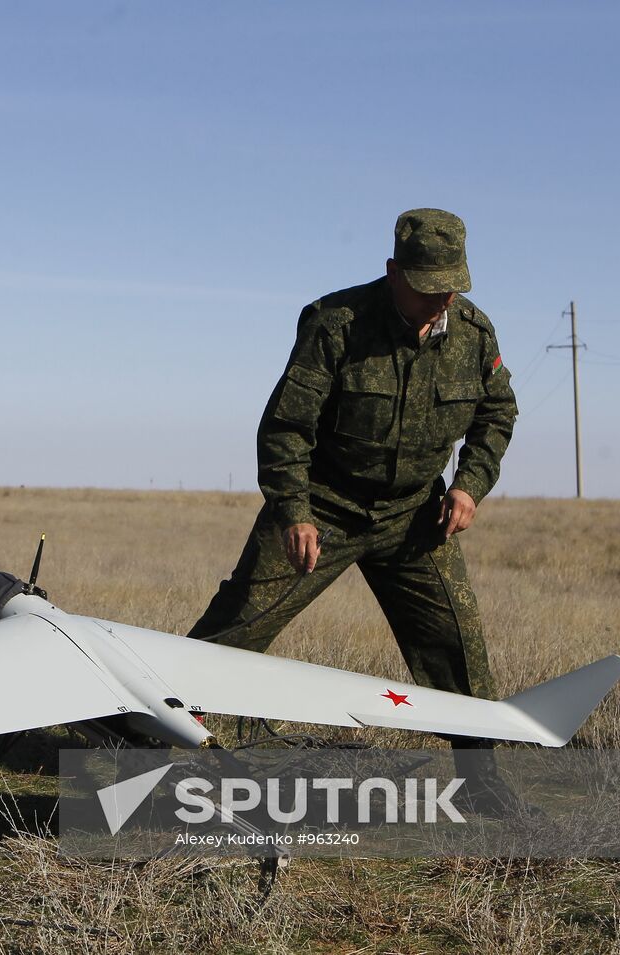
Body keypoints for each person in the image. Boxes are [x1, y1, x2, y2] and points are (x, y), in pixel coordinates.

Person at [187, 208, 521, 811]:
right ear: (393, 271)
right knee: (231, 632)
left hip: (415, 517)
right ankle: (146, 755)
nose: (439, 299)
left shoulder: (474, 333)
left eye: (451, 286)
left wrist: (469, 485)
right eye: (426, 287)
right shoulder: (336, 323)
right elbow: (286, 427)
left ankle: (483, 785)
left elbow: (498, 414)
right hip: (325, 507)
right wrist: (294, 512)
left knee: (458, 649)